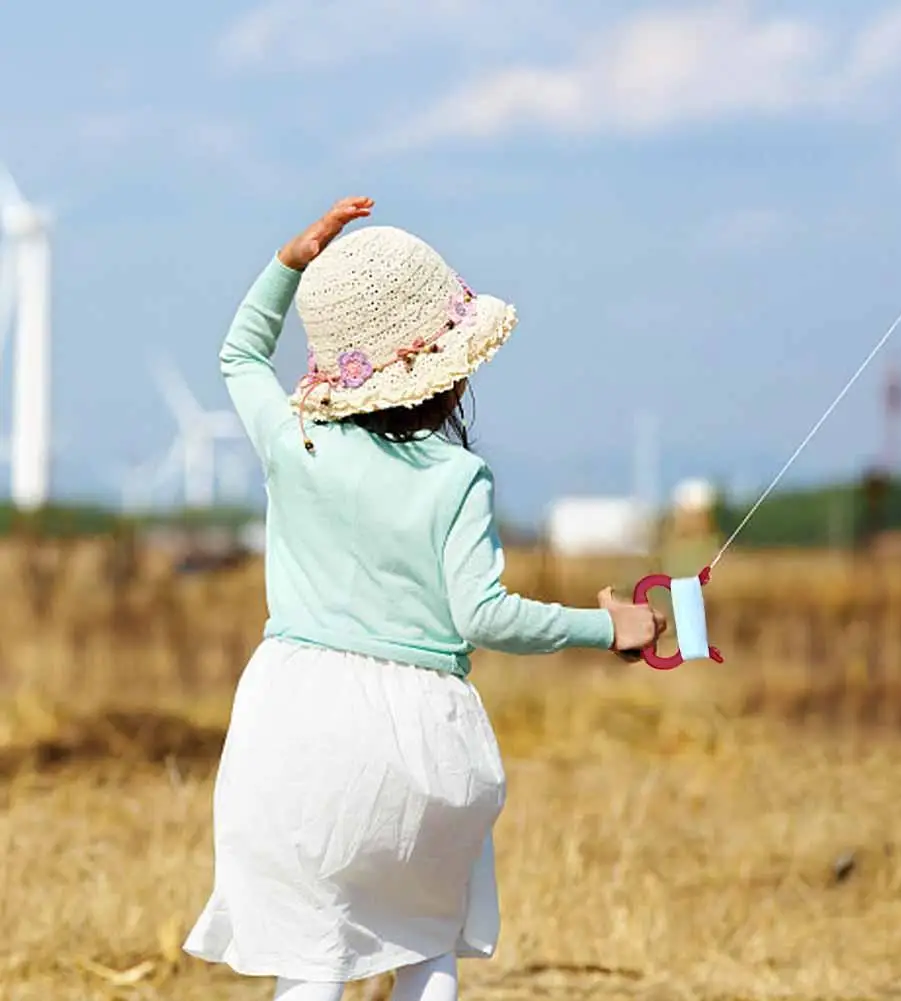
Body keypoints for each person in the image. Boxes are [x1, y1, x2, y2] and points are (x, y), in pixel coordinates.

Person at [183, 197, 667, 1001]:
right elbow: (483, 615)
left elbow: (238, 357)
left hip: (293, 722)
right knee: (427, 941)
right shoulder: (454, 478)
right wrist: (604, 625)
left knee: (312, 952)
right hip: (418, 739)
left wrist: (287, 264)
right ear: (449, 373)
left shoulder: (294, 443)